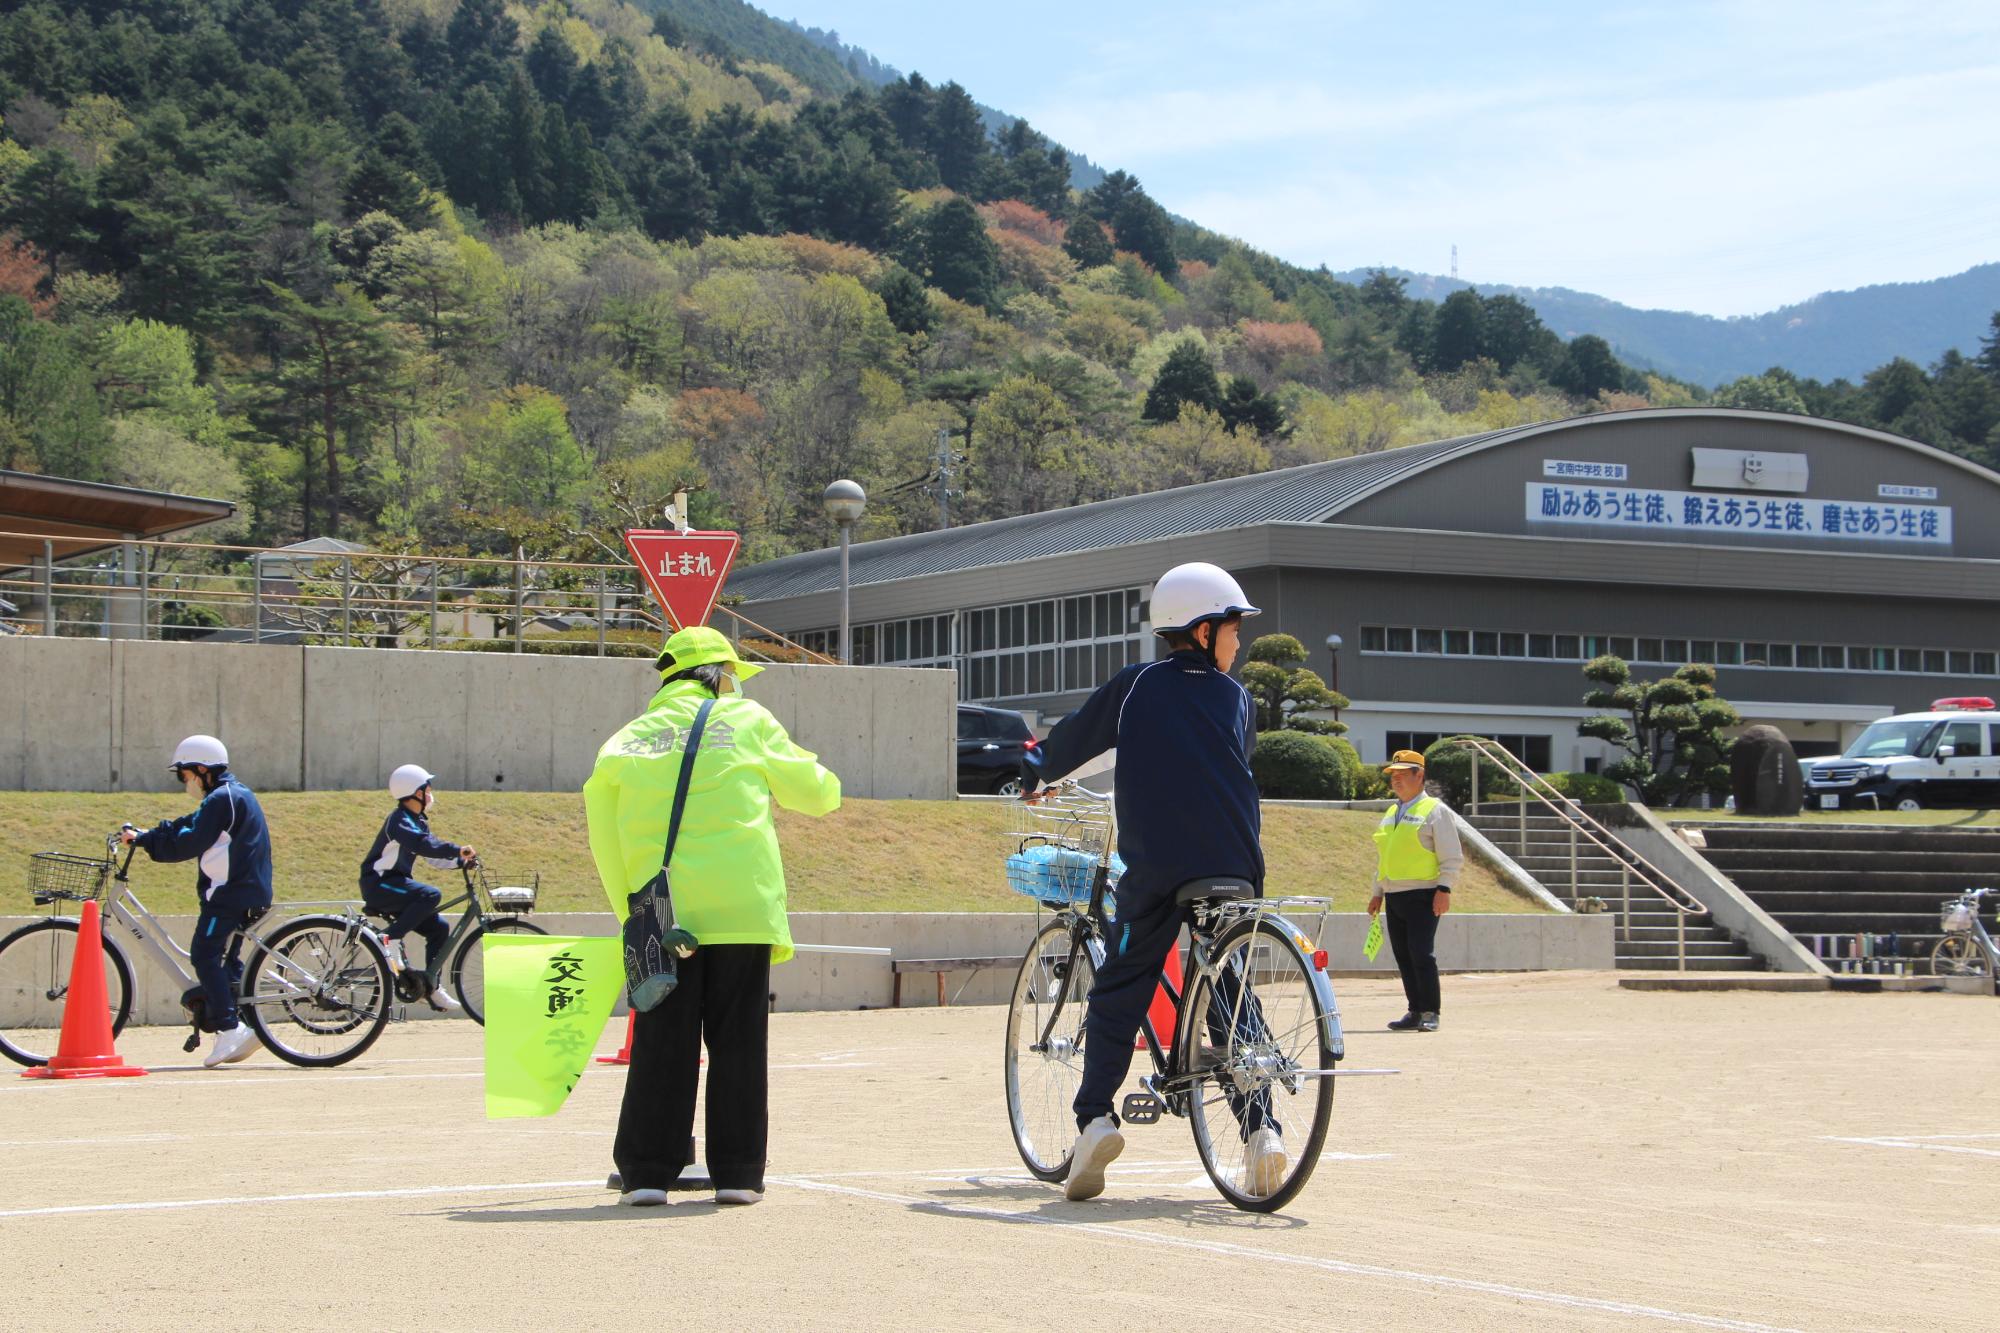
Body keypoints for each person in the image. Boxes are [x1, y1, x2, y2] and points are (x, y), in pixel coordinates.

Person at [1021, 561, 1285, 1202]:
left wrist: (1036, 772)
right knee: (1227, 983)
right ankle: (1261, 1133)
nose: (1238, 639)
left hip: (1160, 865)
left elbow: (1075, 737)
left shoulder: (1137, 686)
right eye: (1232, 626)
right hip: (1236, 862)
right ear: (1201, 630)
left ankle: (1094, 1121)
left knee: (1124, 982)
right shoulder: (1239, 697)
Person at [585, 626, 840, 1208]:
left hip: (663, 912)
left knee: (661, 1041)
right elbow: (819, 794)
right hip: (742, 908)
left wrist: (631, 910)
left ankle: (648, 1173)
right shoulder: (747, 721)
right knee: (739, 1043)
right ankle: (737, 1174)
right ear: (720, 675)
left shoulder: (627, 739)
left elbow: (603, 834)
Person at [121, 735, 272, 1068]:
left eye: (184, 775)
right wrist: (149, 835)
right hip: (244, 890)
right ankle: (247, 1023)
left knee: (205, 954)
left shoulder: (223, 798)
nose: (184, 782)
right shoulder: (231, 795)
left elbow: (190, 842)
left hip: (231, 894)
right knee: (225, 961)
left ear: (202, 769)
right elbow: (190, 824)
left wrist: (150, 845)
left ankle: (230, 1030)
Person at [359, 763, 475, 1013]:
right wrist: (456, 848)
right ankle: (388, 938)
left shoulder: (417, 820)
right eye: (428, 788)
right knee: (430, 895)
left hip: (396, 886)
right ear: (415, 792)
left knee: (439, 928)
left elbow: (431, 855)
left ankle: (431, 987)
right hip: (380, 884)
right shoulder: (399, 820)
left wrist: (460, 861)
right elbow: (423, 845)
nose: (431, 793)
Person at [1367, 750, 1461, 1033]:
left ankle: (1431, 1011)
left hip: (1423, 893)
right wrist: (1377, 892)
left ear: (1419, 775)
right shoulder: (1392, 812)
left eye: (1402, 774)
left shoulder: (1435, 810)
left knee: (1421, 953)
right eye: (1393, 775)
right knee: (1404, 955)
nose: (1396, 780)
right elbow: (1385, 856)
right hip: (1394, 894)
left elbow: (1452, 855)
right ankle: (1415, 1010)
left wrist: (1445, 888)